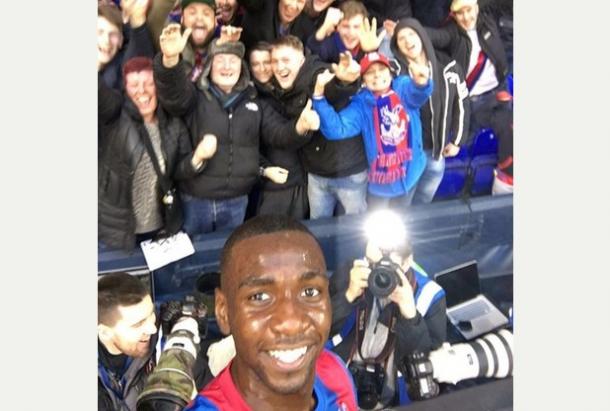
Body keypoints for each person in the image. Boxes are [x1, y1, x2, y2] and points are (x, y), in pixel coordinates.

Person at [154, 26, 320, 236]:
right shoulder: (195, 97)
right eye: (220, 61)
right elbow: (174, 95)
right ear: (209, 67)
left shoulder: (253, 102)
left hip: (237, 202)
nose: (226, 66)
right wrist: (170, 60)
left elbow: (278, 134)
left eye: (232, 61)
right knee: (194, 261)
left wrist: (300, 126)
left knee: (229, 258)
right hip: (195, 201)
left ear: (241, 67)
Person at [184, 214, 358, 410]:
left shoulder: (334, 372)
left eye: (310, 292)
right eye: (259, 297)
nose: (290, 323)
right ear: (223, 312)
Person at [327, 214, 447, 409]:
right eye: (372, 263)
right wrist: (348, 296)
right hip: (345, 367)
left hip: (393, 377)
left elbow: (427, 362)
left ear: (408, 262)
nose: (379, 275)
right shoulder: (352, 273)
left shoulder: (429, 296)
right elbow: (321, 328)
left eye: (388, 268)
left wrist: (410, 315)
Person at [98, 56, 208, 251]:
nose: (142, 91)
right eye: (134, 85)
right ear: (124, 89)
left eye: (150, 83)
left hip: (159, 229)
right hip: (117, 232)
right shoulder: (113, 119)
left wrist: (197, 159)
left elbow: (177, 172)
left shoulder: (173, 124)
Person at [312, 51, 433, 210]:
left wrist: (421, 83)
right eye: (370, 72)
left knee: (403, 219)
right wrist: (319, 96)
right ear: (363, 80)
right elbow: (337, 129)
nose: (376, 75)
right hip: (379, 186)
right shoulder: (361, 104)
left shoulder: (402, 87)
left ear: (390, 74)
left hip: (411, 174)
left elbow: (417, 94)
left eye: (381, 70)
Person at [266, 36, 368, 220]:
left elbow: (330, 83)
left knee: (355, 230)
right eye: (275, 61)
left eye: (286, 60)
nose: (279, 67)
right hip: (316, 176)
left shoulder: (315, 73)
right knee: (318, 231)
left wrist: (343, 81)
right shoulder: (279, 87)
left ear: (302, 60)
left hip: (348, 174)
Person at [380, 18, 470, 204]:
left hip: (436, 156)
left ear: (422, 36)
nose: (407, 41)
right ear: (397, 46)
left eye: (411, 34)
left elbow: (461, 104)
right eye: (401, 38)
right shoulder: (394, 71)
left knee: (422, 207)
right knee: (400, 209)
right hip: (406, 159)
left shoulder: (450, 69)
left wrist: (457, 140)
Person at [426, 0, 513, 192]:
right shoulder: (451, 32)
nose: (466, 17)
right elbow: (431, 35)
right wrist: (407, 31)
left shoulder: (488, 19)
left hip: (494, 98)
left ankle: (505, 186)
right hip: (463, 105)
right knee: (448, 149)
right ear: (452, 15)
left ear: (477, 7)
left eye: (469, 10)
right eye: (459, 13)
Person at [98, 272, 158, 411]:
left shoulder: (168, 344)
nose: (152, 329)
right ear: (105, 333)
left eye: (151, 315)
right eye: (138, 324)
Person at [98, 1, 155, 90]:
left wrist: (137, 20)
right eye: (99, 32)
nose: (106, 41)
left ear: (121, 41)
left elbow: (140, 53)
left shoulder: (117, 75)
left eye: (113, 34)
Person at [237, 0, 315, 49]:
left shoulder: (306, 25)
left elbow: (311, 58)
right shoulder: (262, 5)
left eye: (300, 1)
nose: (293, 6)